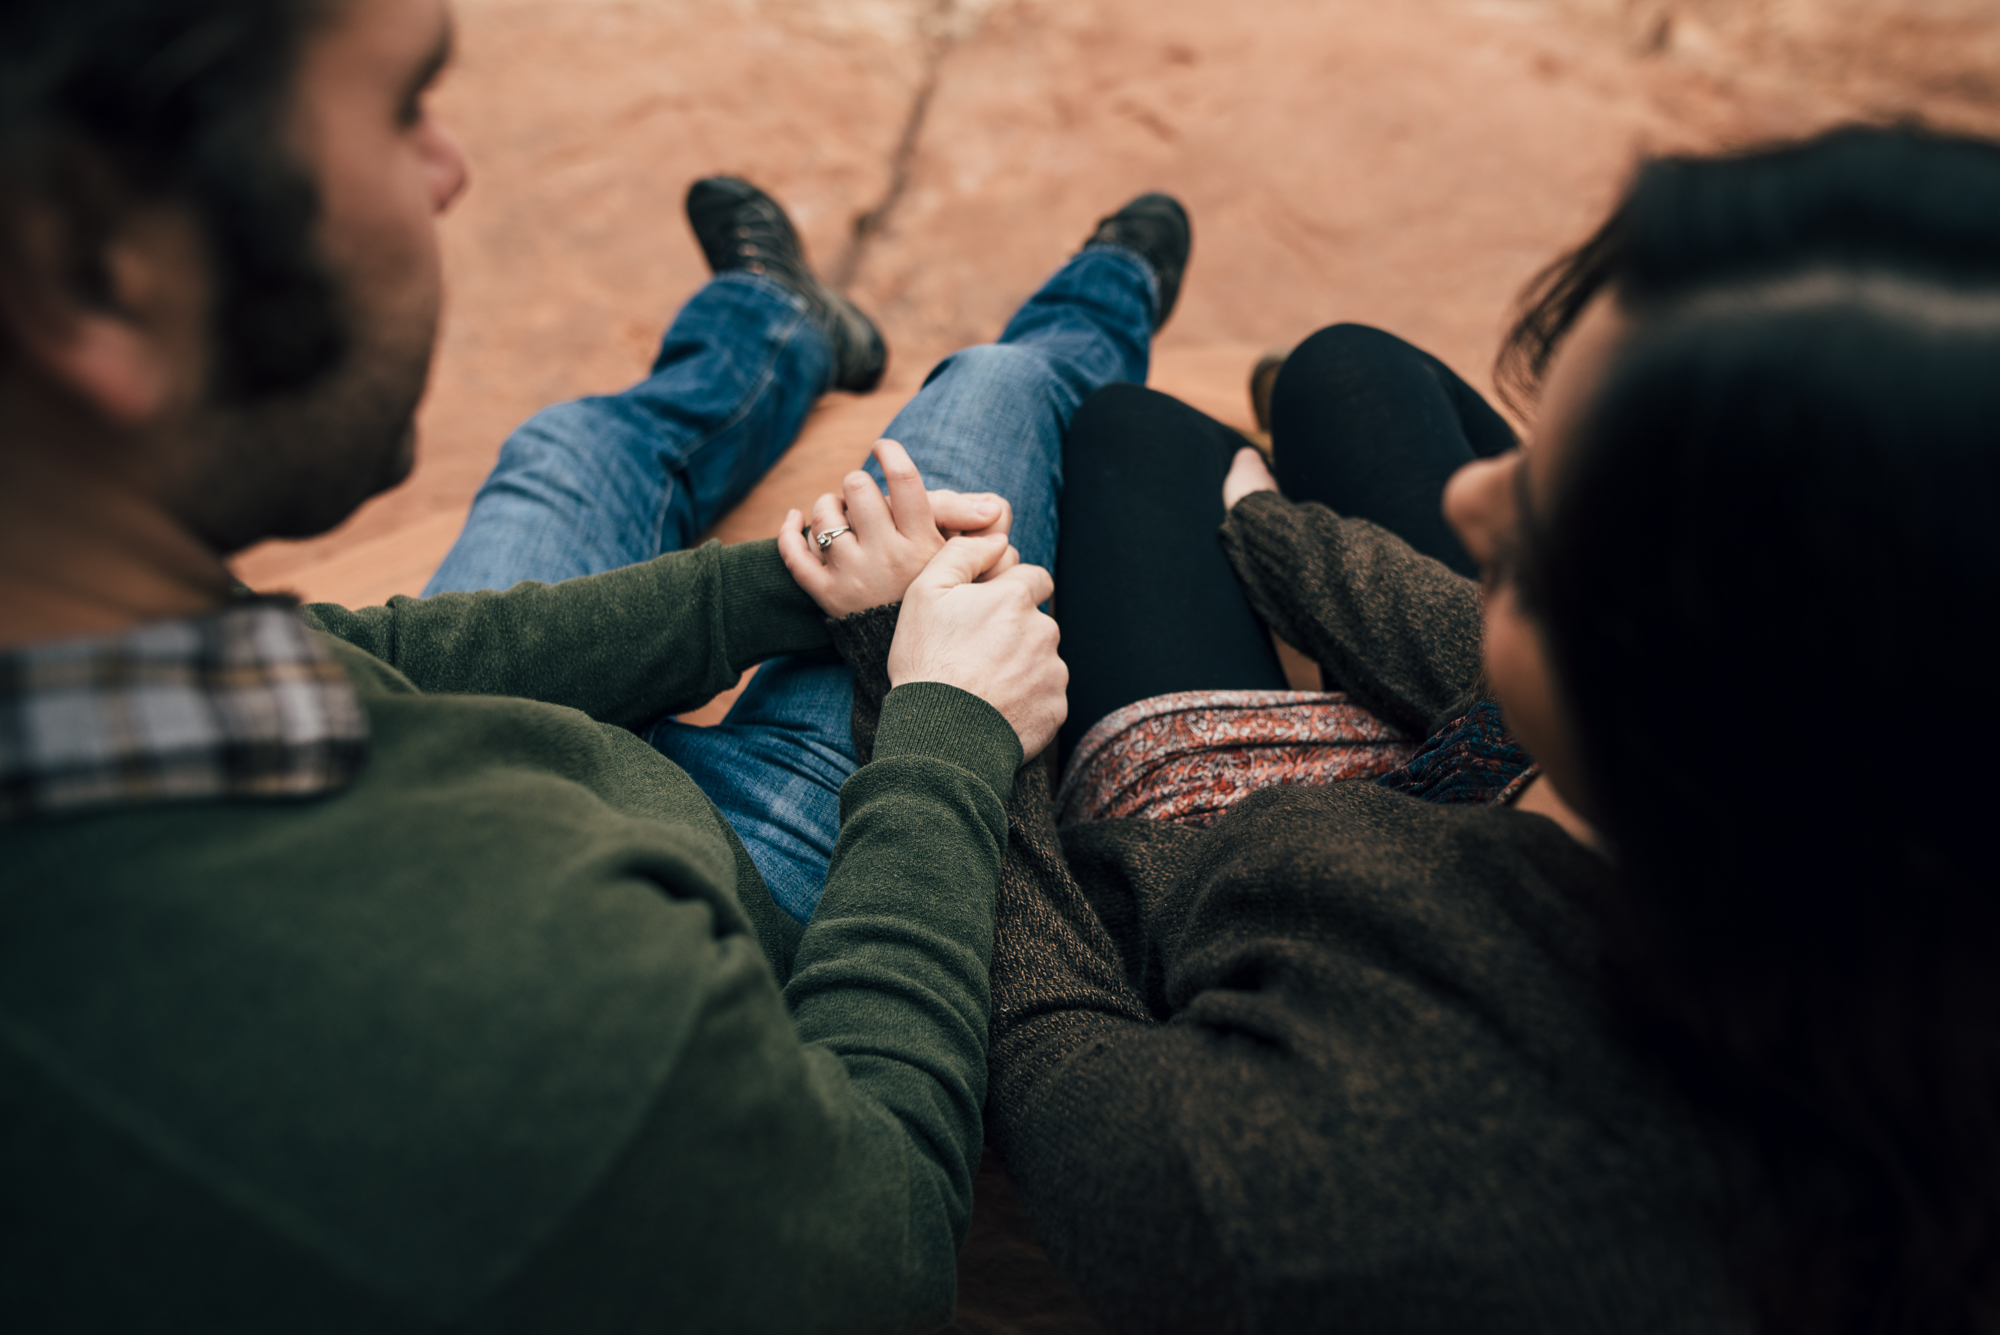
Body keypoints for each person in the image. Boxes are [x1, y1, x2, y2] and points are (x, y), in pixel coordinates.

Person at [0, 0, 1188, 1329]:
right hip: (737, 880)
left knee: (570, 448)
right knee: (991, 392)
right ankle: (1099, 308)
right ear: (98, 264)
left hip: (557, 770)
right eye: (404, 109)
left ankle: (772, 320)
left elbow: (371, 656)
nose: (450, 170)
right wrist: (945, 732)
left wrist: (785, 581)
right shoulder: (536, 1048)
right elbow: (887, 1237)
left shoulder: (68, 631)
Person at [919, 125, 2000, 1334]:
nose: (1468, 500)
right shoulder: (1869, 844)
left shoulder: (1325, 1198)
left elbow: (1051, 1041)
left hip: (1221, 879)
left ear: (1705, 734)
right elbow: (1525, 715)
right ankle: (1283, 407)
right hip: (1461, 790)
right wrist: (1283, 538)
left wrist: (947, 717)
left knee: (1136, 432)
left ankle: (1124, 314)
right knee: (1347, 371)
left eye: (1537, 537)